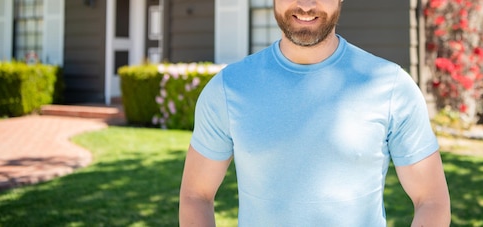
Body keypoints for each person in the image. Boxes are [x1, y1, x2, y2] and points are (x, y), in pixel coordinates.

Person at [179, 0, 451, 226]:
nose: (306, 5)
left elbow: (431, 199)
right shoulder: (228, 88)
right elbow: (196, 195)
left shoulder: (390, 86)